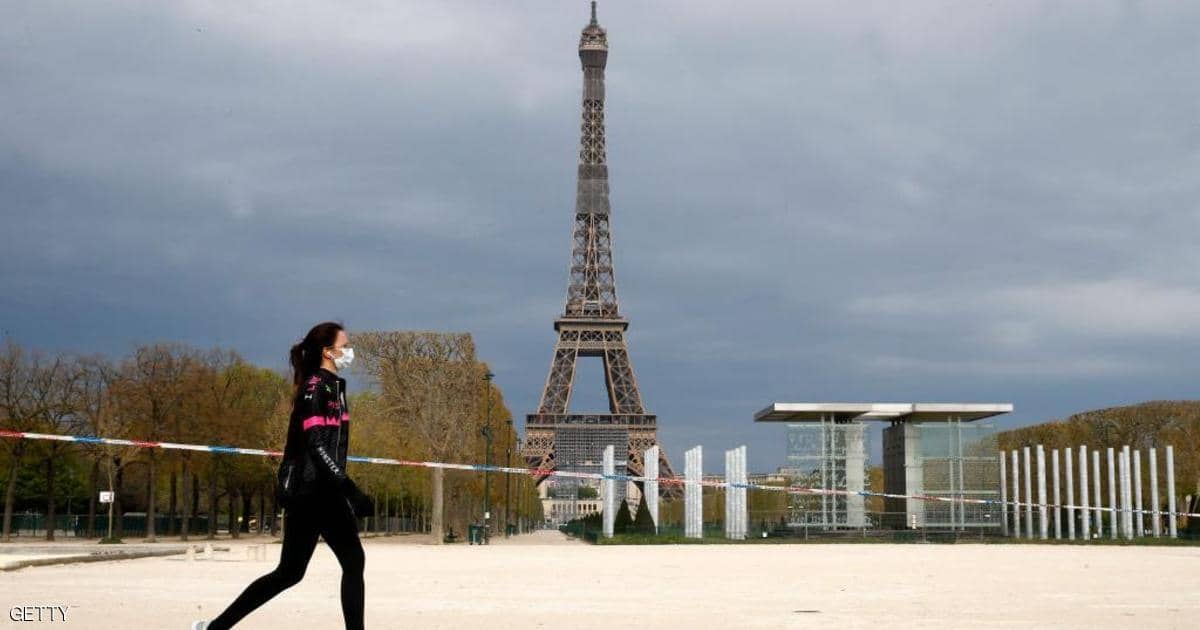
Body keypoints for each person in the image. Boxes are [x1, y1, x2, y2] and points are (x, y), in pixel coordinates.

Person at [193, 321, 373, 630]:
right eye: (345, 346)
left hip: (327, 490)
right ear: (327, 351)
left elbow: (332, 446)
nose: (350, 351)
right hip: (309, 493)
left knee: (346, 563)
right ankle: (215, 627)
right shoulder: (315, 386)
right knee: (293, 572)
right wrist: (350, 489)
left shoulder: (335, 387)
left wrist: (343, 487)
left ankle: (215, 628)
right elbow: (316, 444)